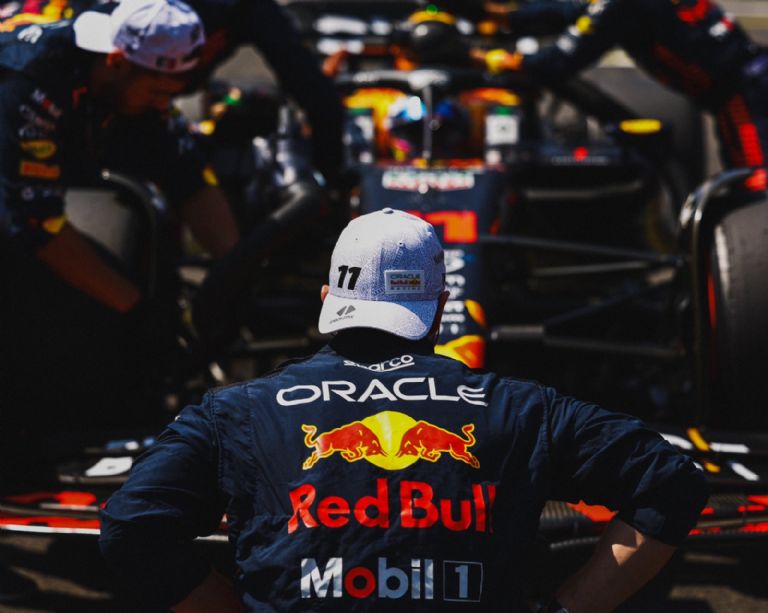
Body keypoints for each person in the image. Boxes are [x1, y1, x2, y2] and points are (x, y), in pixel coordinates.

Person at [99, 207, 709, 611]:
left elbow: (129, 526)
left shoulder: (235, 411)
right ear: (440, 306)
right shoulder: (522, 407)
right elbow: (672, 482)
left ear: (327, 298)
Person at [0, 0, 345, 185]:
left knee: (184, 156)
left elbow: (317, 96)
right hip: (54, 80)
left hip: (110, 86)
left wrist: (329, 175)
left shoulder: (249, 12)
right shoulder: (48, 70)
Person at [478, 0, 768, 188]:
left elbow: (560, 62)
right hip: (743, 87)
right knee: (745, 182)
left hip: (746, 93)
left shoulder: (621, 6)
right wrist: (505, 17)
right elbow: (572, 12)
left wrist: (501, 61)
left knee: (756, 185)